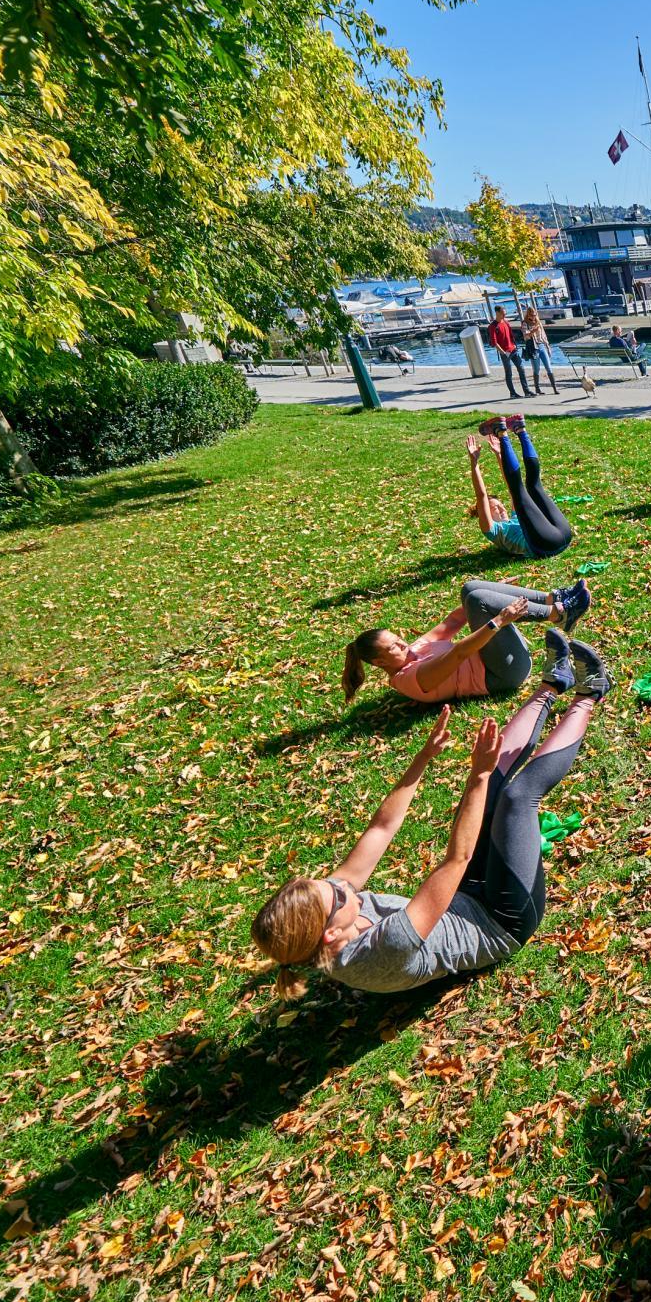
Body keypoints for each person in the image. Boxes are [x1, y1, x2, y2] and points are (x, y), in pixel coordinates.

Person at [253, 639, 612, 994]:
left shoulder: (330, 910)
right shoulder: (383, 950)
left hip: (463, 894)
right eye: (338, 895)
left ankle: (552, 683)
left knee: (494, 779)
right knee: (517, 798)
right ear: (330, 934)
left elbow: (382, 827)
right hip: (502, 920)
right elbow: (457, 859)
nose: (341, 885)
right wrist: (478, 776)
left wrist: (424, 757)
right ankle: (591, 692)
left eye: (329, 882)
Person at [341, 578, 590, 704]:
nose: (403, 644)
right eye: (394, 646)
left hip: (500, 653)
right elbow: (458, 654)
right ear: (379, 661)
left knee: (471, 590)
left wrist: (497, 591)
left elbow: (451, 623)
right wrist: (499, 620)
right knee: (477, 601)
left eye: (398, 638)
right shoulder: (409, 680)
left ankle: (552, 599)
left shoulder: (413, 650)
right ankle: (559, 614)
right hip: (503, 673)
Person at [466, 414, 575, 560]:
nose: (501, 508)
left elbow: (511, 488)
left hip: (565, 534)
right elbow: (482, 496)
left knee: (534, 485)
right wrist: (474, 463)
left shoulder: (517, 517)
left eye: (500, 505)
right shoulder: (493, 530)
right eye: (494, 508)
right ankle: (501, 431)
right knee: (519, 490)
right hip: (545, 546)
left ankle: (520, 429)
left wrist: (500, 454)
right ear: (485, 514)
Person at [487, 306, 530, 398]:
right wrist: (503, 352)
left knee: (521, 369)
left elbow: (511, 336)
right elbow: (494, 343)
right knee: (509, 373)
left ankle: (527, 391)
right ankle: (513, 393)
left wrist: (514, 345)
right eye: (503, 313)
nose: (505, 314)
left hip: (513, 350)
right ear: (497, 313)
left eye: (505, 313)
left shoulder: (506, 322)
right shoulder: (492, 326)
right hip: (505, 353)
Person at [520, 306, 561, 394]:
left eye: (535, 315)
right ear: (528, 315)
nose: (534, 317)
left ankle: (555, 388)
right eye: (532, 315)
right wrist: (532, 332)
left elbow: (544, 335)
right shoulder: (525, 323)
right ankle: (537, 388)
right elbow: (525, 336)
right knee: (536, 369)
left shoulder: (538, 322)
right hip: (533, 348)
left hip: (542, 345)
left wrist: (548, 346)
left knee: (549, 367)